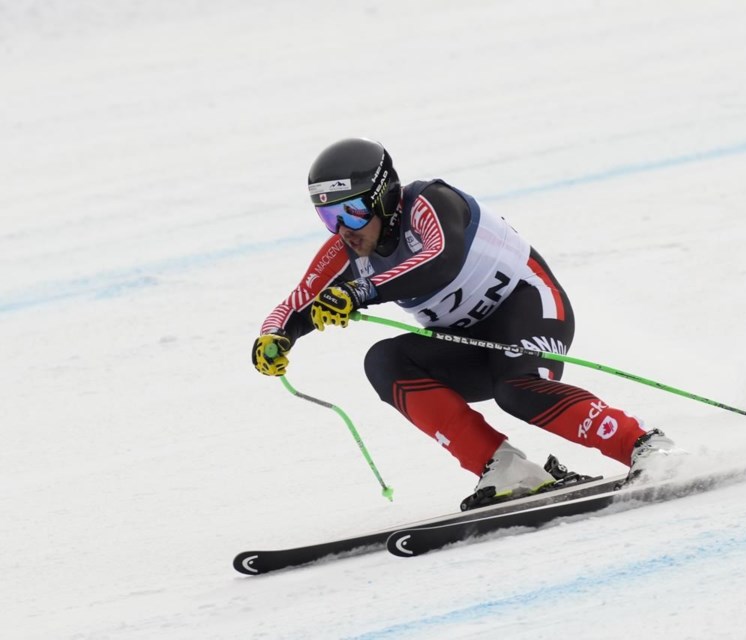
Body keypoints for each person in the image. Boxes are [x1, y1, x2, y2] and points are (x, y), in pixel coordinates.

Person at [252, 137, 675, 504]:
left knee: (517, 389)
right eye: (329, 217)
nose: (344, 229)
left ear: (383, 196)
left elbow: (441, 260)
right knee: (384, 361)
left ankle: (645, 446)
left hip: (530, 307)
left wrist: (362, 291)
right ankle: (506, 468)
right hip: (468, 342)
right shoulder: (346, 252)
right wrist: (275, 337)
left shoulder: (430, 202)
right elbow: (298, 303)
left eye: (354, 212)